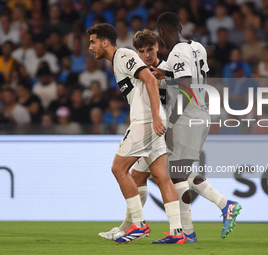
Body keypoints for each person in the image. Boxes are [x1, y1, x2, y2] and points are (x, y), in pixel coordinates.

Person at [87, 23, 185, 244]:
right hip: (153, 120)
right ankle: (177, 231)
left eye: (93, 42)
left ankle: (139, 225)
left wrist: (156, 117)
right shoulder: (118, 61)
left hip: (146, 121)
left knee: (118, 168)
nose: (90, 47)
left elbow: (150, 79)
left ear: (105, 42)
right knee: (161, 176)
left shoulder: (122, 55)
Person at [151, 12, 241, 239]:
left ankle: (199, 222)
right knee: (182, 172)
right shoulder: (198, 47)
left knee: (177, 174)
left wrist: (170, 124)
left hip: (186, 118)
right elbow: (196, 79)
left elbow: (187, 89)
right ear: (180, 27)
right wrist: (167, 73)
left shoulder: (176, 52)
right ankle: (195, 227)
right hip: (201, 115)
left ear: (161, 32)